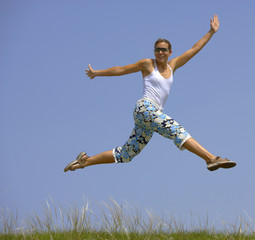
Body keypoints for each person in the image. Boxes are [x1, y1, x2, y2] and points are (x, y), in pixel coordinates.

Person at [64, 14, 236, 172]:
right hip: (145, 108)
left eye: (163, 50)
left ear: (170, 52)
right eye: (157, 49)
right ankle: (211, 158)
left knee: (127, 154)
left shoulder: (172, 66)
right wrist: (97, 73)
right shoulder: (148, 64)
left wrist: (211, 32)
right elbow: (121, 69)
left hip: (149, 117)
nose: (160, 52)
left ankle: (85, 161)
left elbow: (194, 49)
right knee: (177, 131)